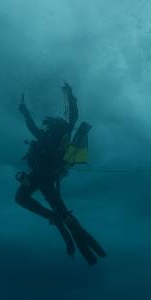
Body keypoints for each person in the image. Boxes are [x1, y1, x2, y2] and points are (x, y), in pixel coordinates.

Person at [15, 83, 106, 266]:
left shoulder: (52, 135)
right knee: (62, 213)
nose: (46, 128)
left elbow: (36, 126)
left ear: (52, 126)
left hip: (41, 178)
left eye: (48, 126)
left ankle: (57, 221)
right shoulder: (60, 135)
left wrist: (25, 111)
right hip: (45, 178)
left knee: (24, 199)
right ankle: (89, 250)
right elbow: (71, 117)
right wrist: (69, 96)